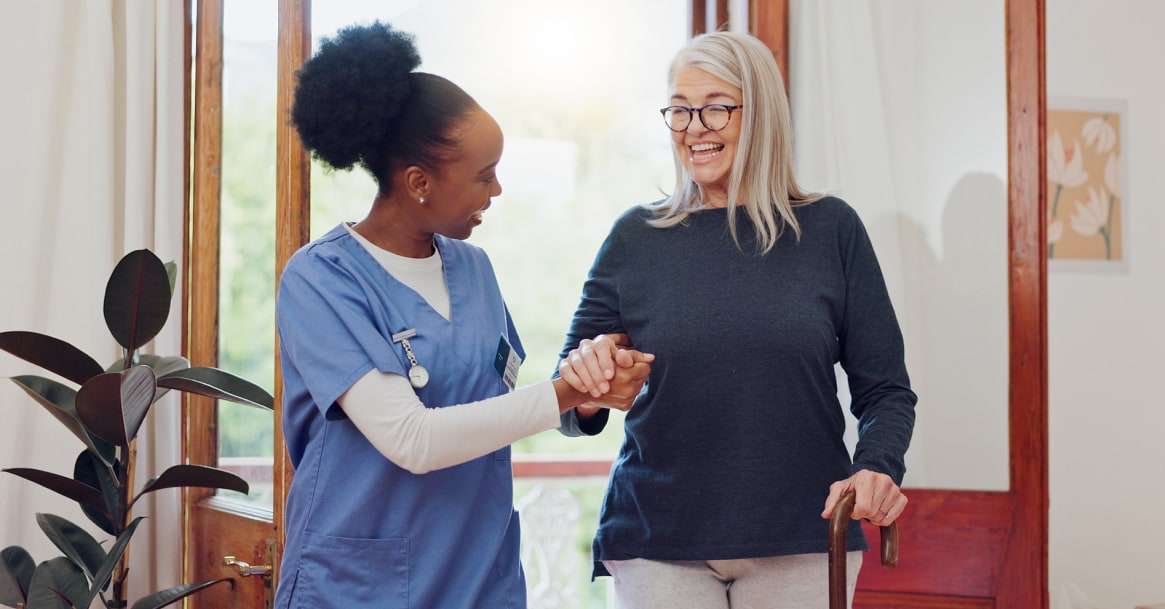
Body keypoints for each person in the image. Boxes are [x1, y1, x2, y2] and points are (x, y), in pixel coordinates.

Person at [273, 22, 652, 609]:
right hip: (361, 584)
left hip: (479, 575)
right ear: (420, 182)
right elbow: (413, 439)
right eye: (483, 175)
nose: (497, 190)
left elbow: (497, 406)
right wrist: (562, 393)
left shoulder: (474, 270)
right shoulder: (321, 280)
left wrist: (592, 389)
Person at [555, 31, 917, 608]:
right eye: (679, 109)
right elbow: (569, 402)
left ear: (763, 115)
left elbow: (887, 391)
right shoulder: (634, 238)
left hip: (801, 535)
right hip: (658, 539)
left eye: (715, 107)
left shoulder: (831, 230)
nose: (693, 127)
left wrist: (876, 466)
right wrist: (592, 386)